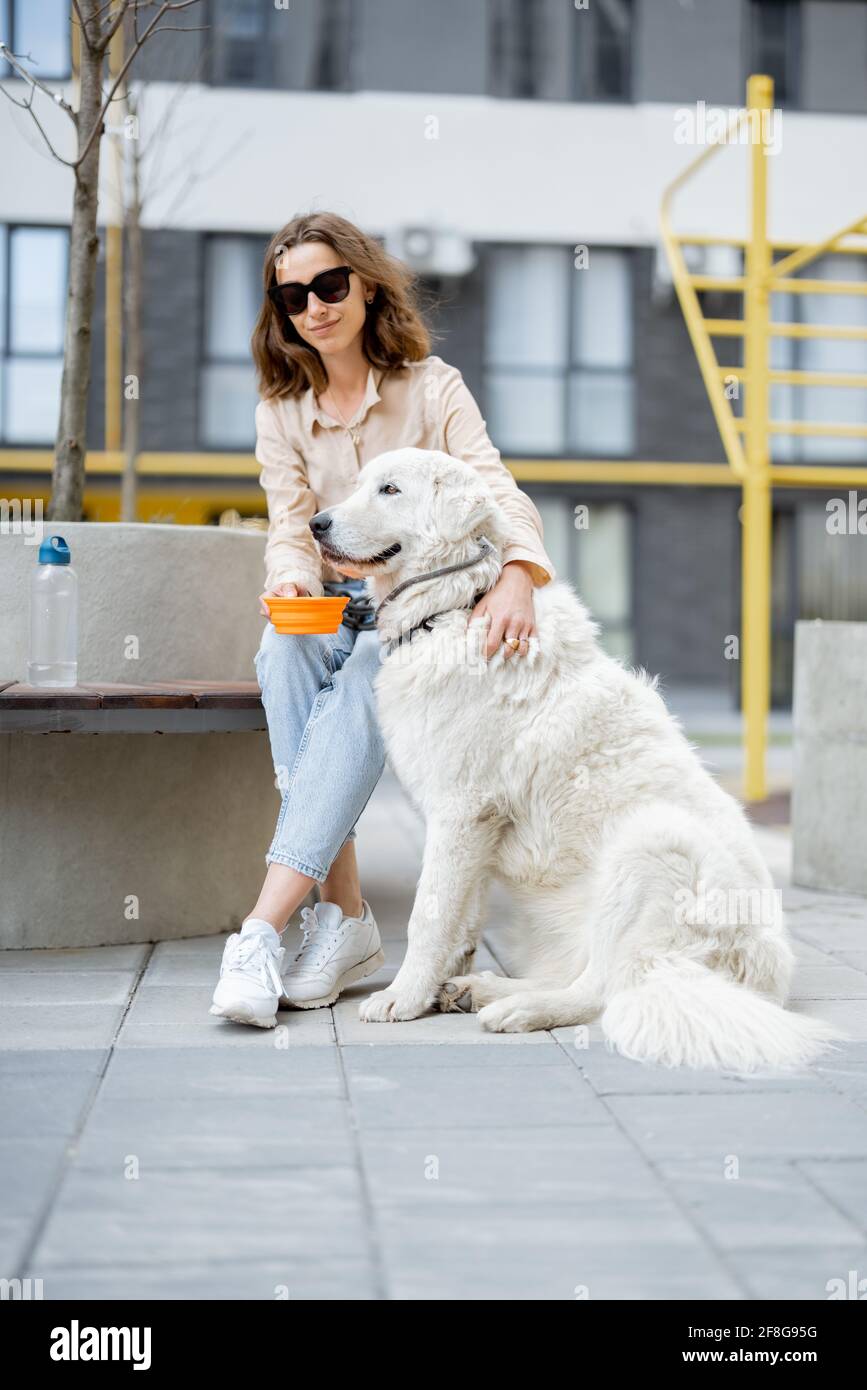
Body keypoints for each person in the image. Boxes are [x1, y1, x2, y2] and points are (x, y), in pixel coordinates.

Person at [210, 211, 555, 1028]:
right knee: (281, 655)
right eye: (292, 296)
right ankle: (342, 915)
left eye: (330, 285)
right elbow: (292, 527)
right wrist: (294, 584)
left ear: (366, 284)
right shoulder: (281, 408)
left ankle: (265, 928)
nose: (315, 307)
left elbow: (491, 485)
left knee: (369, 678)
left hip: (422, 610)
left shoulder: (432, 387)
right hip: (337, 604)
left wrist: (518, 573)